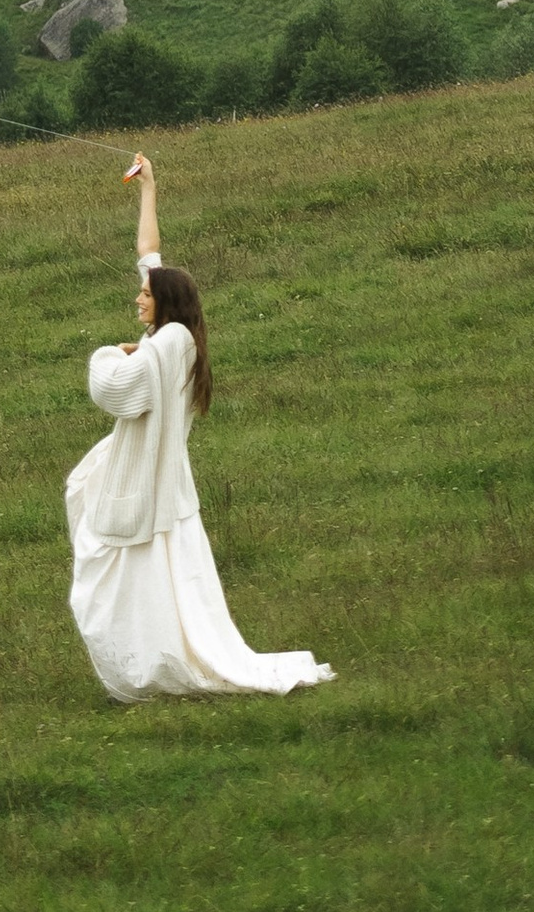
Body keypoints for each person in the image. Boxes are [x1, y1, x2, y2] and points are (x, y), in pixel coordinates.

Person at [64, 154, 334, 705]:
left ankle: (157, 666)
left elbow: (115, 391)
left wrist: (106, 354)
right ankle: (156, 659)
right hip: (166, 486)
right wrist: (149, 189)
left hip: (151, 486)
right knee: (166, 587)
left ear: (165, 303)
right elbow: (148, 253)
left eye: (145, 295)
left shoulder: (169, 344)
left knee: (141, 584)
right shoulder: (174, 337)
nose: (138, 297)